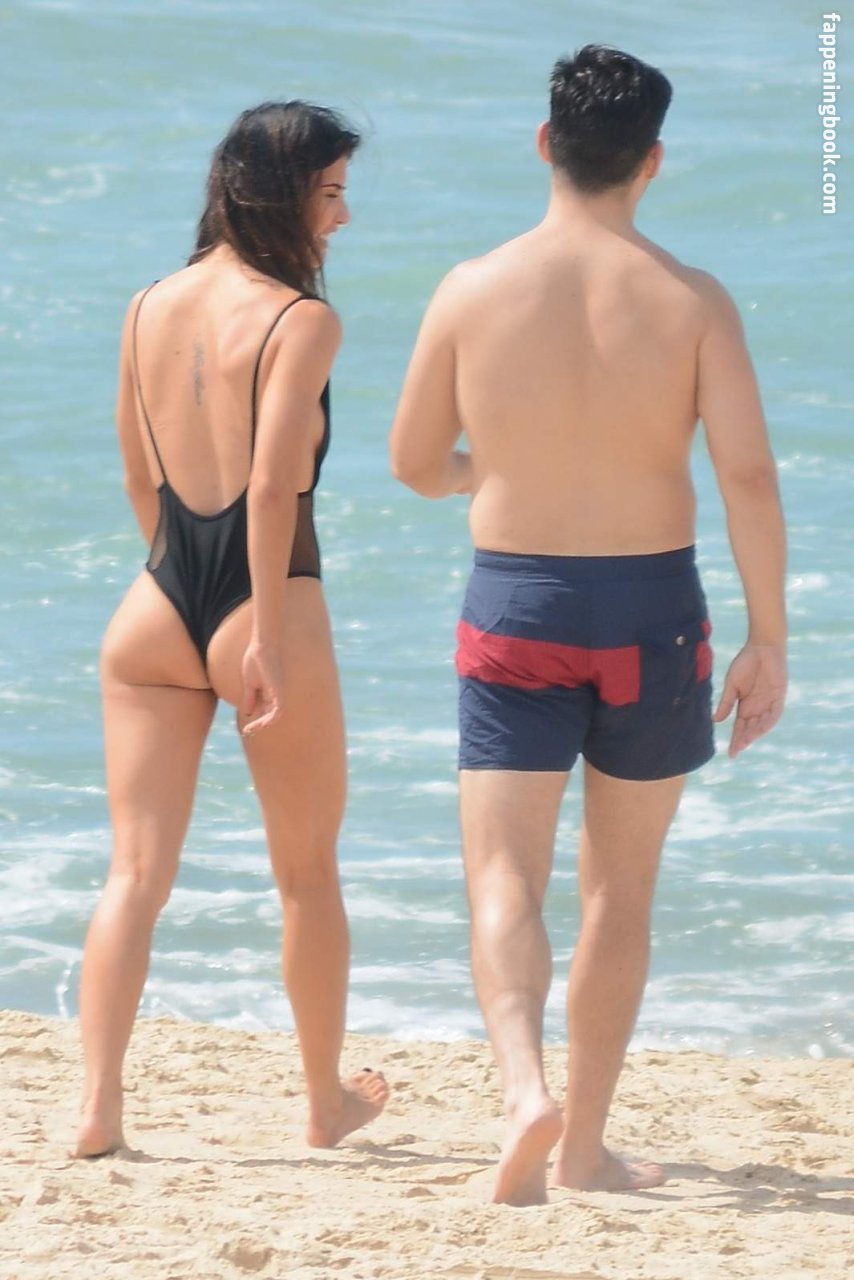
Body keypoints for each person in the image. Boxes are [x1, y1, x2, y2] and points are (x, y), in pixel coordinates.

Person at [390, 45, 787, 1206]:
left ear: (542, 145)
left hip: (515, 606)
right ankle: (583, 1147)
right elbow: (747, 476)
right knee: (617, 890)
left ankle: (524, 1091)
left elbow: (414, 461)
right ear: (651, 162)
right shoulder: (691, 299)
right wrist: (766, 635)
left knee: (501, 873)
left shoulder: (470, 288)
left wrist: (491, 468)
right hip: (651, 614)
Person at [75, 101, 388, 1158]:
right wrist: (257, 633)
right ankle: (323, 1103)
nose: (341, 216)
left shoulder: (145, 305)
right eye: (330, 193)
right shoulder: (302, 321)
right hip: (266, 603)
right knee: (306, 873)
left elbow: (138, 474)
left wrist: (184, 582)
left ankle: (98, 1108)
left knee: (133, 874)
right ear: (281, 193)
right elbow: (269, 486)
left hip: (155, 602)